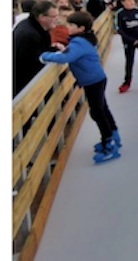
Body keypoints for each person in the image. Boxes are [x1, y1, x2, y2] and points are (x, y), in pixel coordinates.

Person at [40, 11, 122, 163]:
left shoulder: (79, 42)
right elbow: (72, 53)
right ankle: (113, 134)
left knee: (97, 112)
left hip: (93, 81)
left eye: (71, 25)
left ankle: (109, 143)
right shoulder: (83, 40)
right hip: (94, 79)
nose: (68, 28)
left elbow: (67, 57)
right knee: (102, 108)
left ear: (81, 28)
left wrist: (45, 56)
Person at [13, 1, 60, 97]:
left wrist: (53, 49)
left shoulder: (37, 27)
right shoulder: (29, 35)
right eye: (54, 17)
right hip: (24, 89)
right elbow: (32, 65)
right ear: (42, 17)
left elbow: (41, 51)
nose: (57, 19)